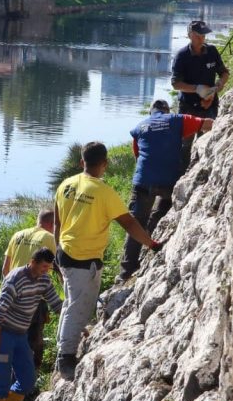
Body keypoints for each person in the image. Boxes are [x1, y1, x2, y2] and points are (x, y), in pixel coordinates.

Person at [53, 142, 161, 381]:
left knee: (70, 302)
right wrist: (151, 244)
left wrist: (55, 251)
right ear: (105, 164)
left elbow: (57, 222)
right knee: (78, 307)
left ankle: (62, 348)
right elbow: (129, 223)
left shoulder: (66, 185)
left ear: (82, 162)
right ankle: (66, 357)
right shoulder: (103, 192)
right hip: (84, 257)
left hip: (64, 252)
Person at [119, 99, 212, 281]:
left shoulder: (140, 127)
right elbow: (207, 124)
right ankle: (154, 237)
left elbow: (137, 155)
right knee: (163, 207)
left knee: (135, 223)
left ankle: (125, 273)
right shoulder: (177, 119)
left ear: (151, 113)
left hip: (143, 182)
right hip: (169, 182)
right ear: (167, 111)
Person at [0, 247, 63, 401]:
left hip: (20, 336)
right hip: (2, 336)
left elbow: (56, 303)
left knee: (27, 380)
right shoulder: (15, 279)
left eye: (48, 268)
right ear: (33, 262)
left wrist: (75, 323)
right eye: (43, 266)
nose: (45, 271)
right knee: (1, 382)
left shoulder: (44, 280)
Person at [1, 210, 57, 369]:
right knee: (34, 338)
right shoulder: (50, 238)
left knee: (11, 336)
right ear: (52, 224)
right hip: (34, 297)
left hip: (11, 294)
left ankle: (9, 372)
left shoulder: (18, 234)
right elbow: (59, 268)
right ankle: (30, 377)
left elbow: (5, 269)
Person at [171, 20, 230, 120]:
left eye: (203, 35)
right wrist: (198, 89)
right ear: (190, 35)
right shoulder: (182, 56)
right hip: (188, 106)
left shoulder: (212, 51)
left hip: (210, 105)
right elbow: (176, 84)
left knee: (210, 135)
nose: (201, 39)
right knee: (186, 135)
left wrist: (216, 88)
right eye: (198, 35)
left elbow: (224, 73)